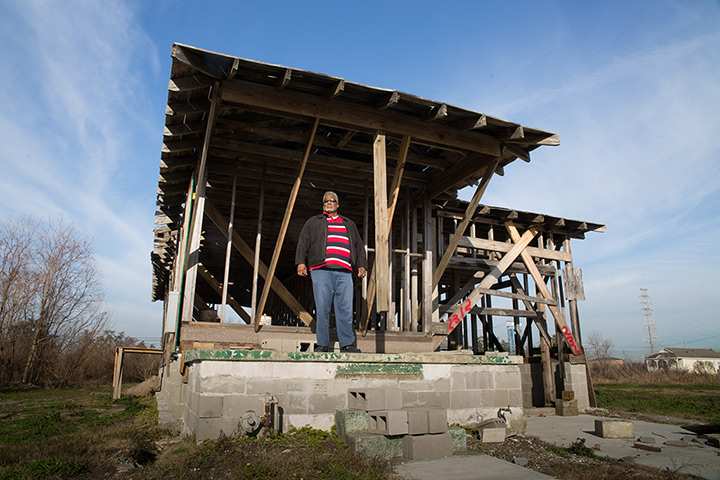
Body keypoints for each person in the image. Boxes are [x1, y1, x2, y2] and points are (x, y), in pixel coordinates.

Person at [295, 191, 367, 353]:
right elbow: (303, 242)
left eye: (332, 201)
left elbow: (358, 245)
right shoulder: (314, 222)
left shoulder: (348, 224)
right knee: (323, 308)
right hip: (321, 270)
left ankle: (347, 344)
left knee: (346, 309)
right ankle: (323, 344)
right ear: (323, 205)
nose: (329, 202)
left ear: (337, 204)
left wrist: (362, 265)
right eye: (326, 201)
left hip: (344, 272)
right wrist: (300, 262)